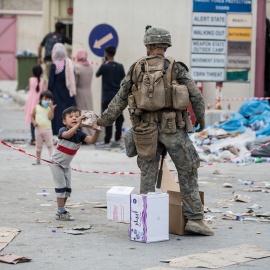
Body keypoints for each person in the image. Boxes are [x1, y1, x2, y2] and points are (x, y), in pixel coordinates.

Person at [97, 26, 213, 236]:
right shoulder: (176, 67)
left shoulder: (136, 67)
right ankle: (195, 219)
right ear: (165, 46)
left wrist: (103, 121)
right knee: (187, 169)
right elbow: (195, 95)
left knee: (148, 174)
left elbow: (119, 99)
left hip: (144, 129)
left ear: (148, 46)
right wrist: (201, 119)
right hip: (172, 129)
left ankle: (146, 220)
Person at [50, 106, 101, 220]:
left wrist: (97, 130)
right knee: (61, 188)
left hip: (66, 166)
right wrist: (79, 123)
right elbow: (68, 135)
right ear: (64, 121)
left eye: (77, 116)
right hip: (56, 164)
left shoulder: (80, 134)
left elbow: (92, 140)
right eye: (71, 117)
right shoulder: (63, 130)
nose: (74, 118)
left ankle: (62, 210)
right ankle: (60, 212)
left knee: (67, 189)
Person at [96, 45, 125, 149]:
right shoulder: (120, 66)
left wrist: (103, 63)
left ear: (106, 54)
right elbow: (123, 78)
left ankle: (107, 141)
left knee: (108, 119)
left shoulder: (104, 67)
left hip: (107, 97)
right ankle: (117, 140)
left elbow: (97, 74)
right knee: (119, 119)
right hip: (118, 97)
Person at [48, 43, 76, 135]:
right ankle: (68, 132)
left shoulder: (54, 65)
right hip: (67, 93)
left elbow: (51, 82)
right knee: (67, 114)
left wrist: (48, 94)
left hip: (56, 94)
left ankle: (58, 133)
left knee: (57, 114)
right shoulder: (69, 63)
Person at [31, 90, 56, 165]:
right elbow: (32, 116)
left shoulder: (49, 108)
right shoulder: (36, 107)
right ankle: (38, 160)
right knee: (38, 145)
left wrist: (52, 110)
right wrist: (34, 122)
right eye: (45, 99)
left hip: (47, 129)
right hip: (38, 129)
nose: (47, 101)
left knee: (50, 145)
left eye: (49, 100)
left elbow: (50, 118)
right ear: (41, 99)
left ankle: (52, 160)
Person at [24, 64, 46, 145]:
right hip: (39, 102)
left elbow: (30, 89)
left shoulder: (30, 79)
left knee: (32, 119)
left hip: (31, 101)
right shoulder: (43, 81)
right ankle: (40, 138)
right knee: (40, 119)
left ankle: (33, 138)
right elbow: (44, 91)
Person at [74, 49, 94, 136]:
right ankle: (91, 133)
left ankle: (84, 134)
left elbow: (75, 82)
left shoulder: (77, 67)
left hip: (80, 92)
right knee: (88, 112)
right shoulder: (90, 67)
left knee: (81, 112)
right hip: (88, 91)